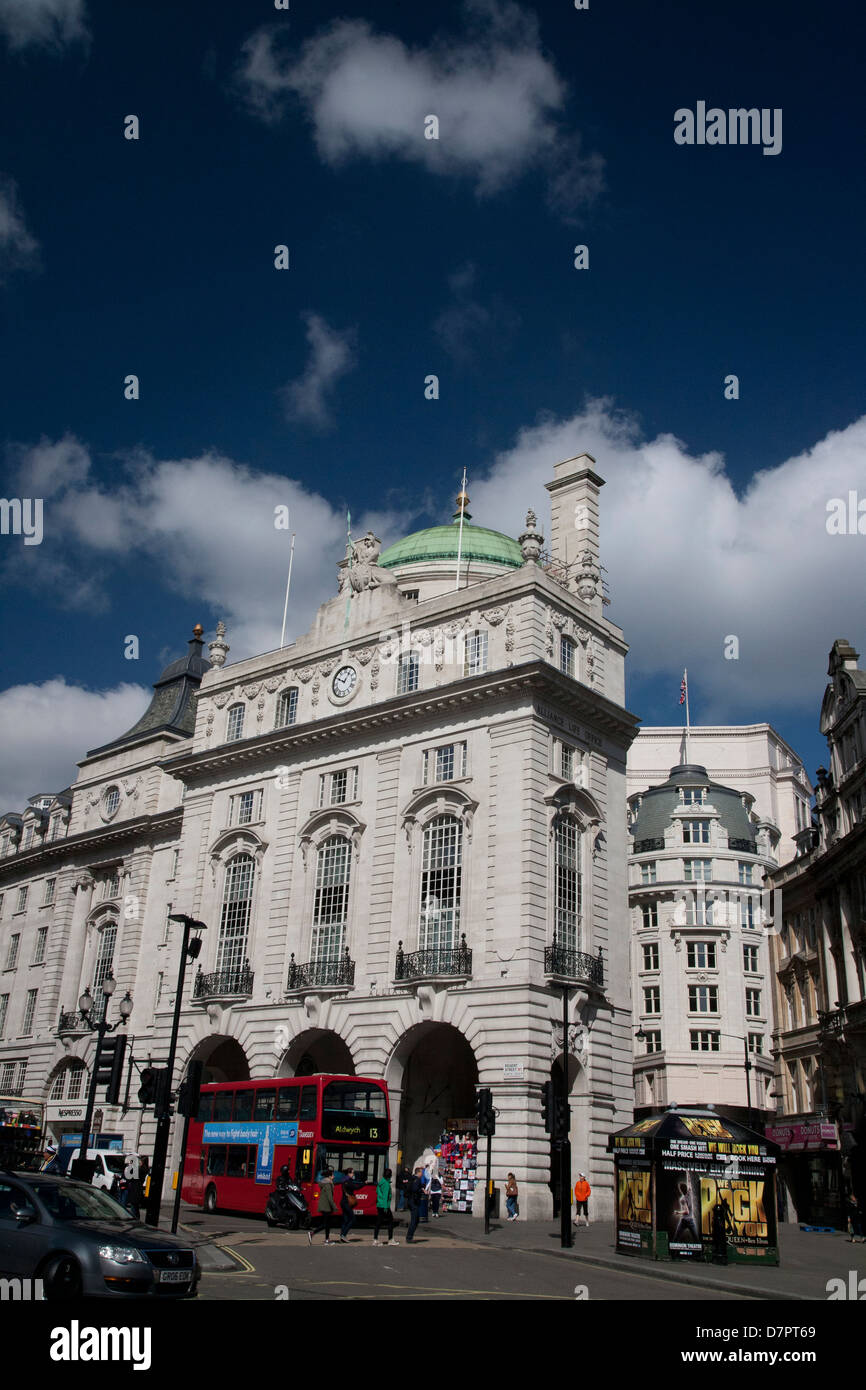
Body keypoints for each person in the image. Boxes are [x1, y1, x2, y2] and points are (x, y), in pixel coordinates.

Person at [308, 1167, 337, 1244]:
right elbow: (329, 1197)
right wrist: (334, 1206)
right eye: (333, 1175)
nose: (334, 1176)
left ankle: (327, 1239)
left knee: (327, 1223)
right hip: (326, 1206)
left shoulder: (325, 1183)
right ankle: (312, 1233)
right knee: (326, 1223)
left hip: (325, 1205)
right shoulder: (328, 1184)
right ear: (329, 1176)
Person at [373, 1166, 399, 1246]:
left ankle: (375, 1239)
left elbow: (377, 1191)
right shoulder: (386, 1184)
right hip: (384, 1206)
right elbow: (385, 1196)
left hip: (379, 1204)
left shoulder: (381, 1182)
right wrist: (385, 1207)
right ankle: (390, 1239)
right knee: (390, 1221)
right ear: (390, 1175)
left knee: (379, 1222)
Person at [339, 1166, 359, 1242]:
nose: (353, 1174)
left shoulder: (345, 1180)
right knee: (353, 1219)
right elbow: (355, 1187)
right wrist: (364, 1183)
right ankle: (343, 1235)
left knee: (345, 1219)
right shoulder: (348, 1181)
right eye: (353, 1173)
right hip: (346, 1203)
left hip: (343, 1202)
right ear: (349, 1173)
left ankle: (342, 1236)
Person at [406, 1166, 425, 1242]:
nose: (422, 1174)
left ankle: (410, 1236)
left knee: (415, 1219)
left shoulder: (412, 1178)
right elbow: (415, 1189)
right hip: (414, 1201)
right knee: (415, 1220)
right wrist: (421, 1190)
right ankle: (409, 1237)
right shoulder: (417, 1180)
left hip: (411, 1200)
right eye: (421, 1172)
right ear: (418, 1172)